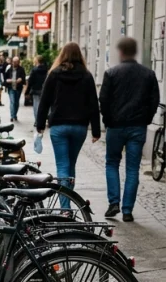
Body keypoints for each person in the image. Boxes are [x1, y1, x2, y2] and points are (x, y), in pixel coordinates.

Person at [99, 36, 161, 222]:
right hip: (137, 126)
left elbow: (104, 100)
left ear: (120, 52)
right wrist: (146, 119)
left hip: (116, 127)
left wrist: (108, 120)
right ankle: (127, 210)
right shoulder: (148, 74)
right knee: (133, 168)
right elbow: (154, 101)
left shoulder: (111, 73)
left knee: (112, 163)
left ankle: (113, 203)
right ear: (135, 52)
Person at [36, 43, 101, 210]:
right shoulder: (86, 76)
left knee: (62, 166)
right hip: (79, 127)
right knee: (71, 165)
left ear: (62, 55)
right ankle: (68, 201)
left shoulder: (54, 74)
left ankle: (65, 209)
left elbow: (44, 101)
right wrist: (96, 130)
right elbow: (93, 104)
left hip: (59, 126)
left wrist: (40, 125)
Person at [23, 55, 48, 121]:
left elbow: (30, 81)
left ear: (37, 61)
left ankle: (37, 120)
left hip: (36, 90)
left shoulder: (34, 70)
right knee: (43, 105)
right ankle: (42, 119)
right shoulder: (46, 69)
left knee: (36, 104)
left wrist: (27, 92)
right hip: (44, 90)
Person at [5, 57, 27, 122]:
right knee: (12, 101)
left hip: (18, 88)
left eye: (16, 61)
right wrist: (8, 81)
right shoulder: (9, 69)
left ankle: (14, 115)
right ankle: (12, 116)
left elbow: (23, 78)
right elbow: (5, 78)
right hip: (11, 87)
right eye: (13, 61)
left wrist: (21, 79)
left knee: (16, 102)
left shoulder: (21, 69)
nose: (14, 63)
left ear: (18, 62)